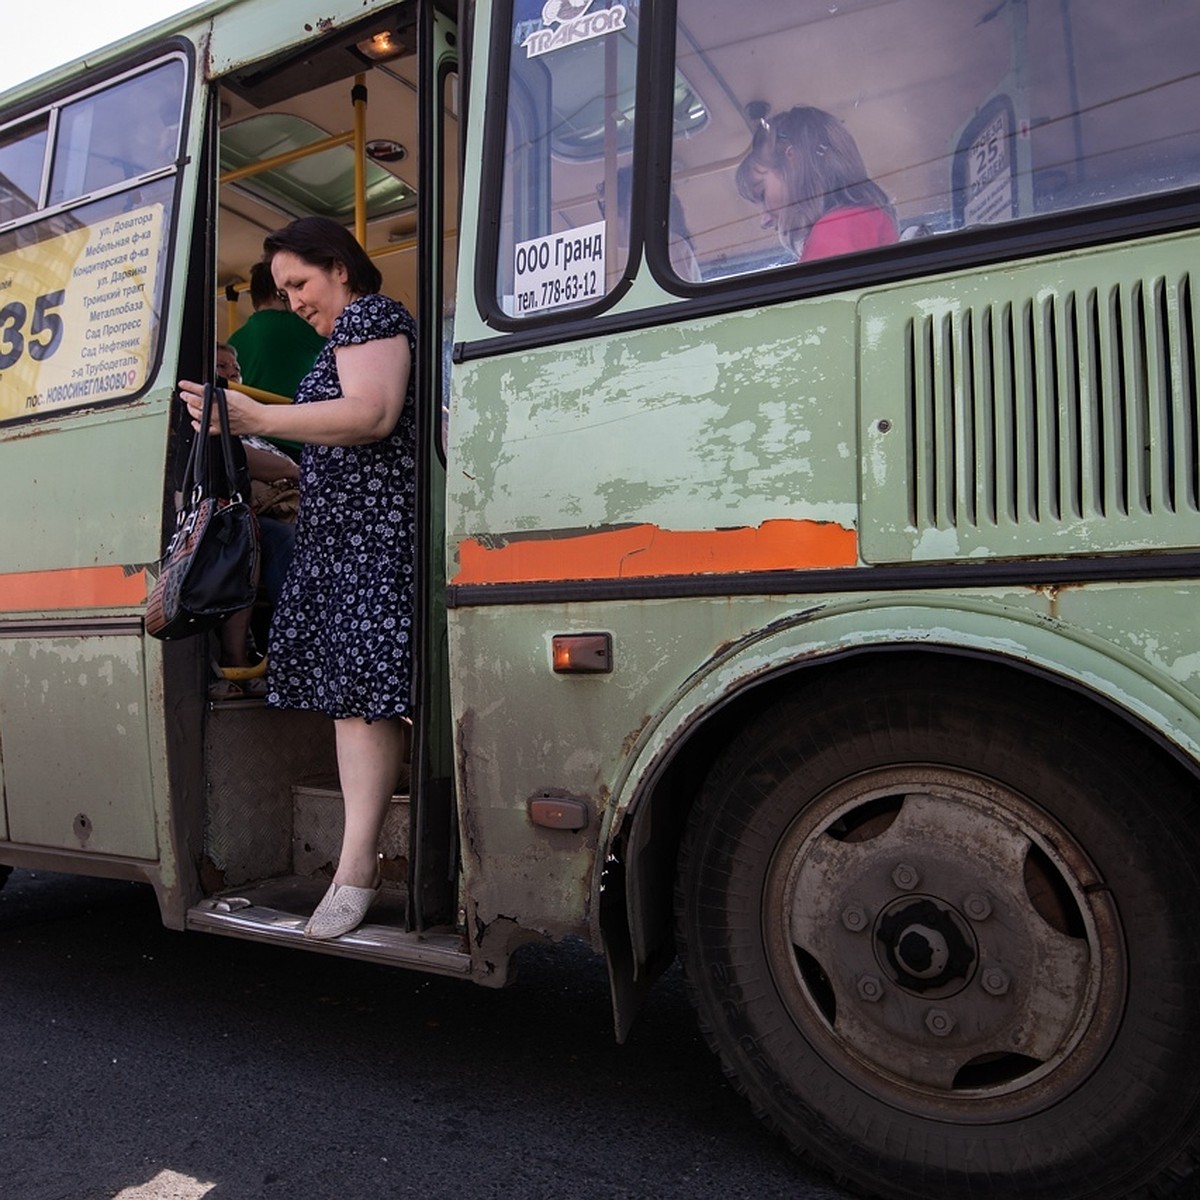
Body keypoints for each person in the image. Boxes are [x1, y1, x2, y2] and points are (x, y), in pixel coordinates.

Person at [180, 217, 415, 940]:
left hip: (371, 540)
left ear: (340, 266)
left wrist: (255, 412)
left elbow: (373, 415)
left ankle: (356, 869)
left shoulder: (372, 316)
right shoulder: (342, 334)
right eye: (283, 290)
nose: (295, 300)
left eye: (300, 284)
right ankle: (356, 863)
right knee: (355, 700)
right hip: (346, 539)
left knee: (362, 703)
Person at [209, 342, 300, 699]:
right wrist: (295, 470)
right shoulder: (214, 420)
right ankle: (282, 659)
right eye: (222, 367)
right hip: (237, 512)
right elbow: (237, 458)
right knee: (278, 541)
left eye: (236, 369)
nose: (232, 375)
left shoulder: (251, 426)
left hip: (279, 507)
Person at [735, 105, 897, 262]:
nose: (764, 221)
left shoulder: (838, 228)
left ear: (793, 161)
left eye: (762, 194)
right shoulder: (861, 221)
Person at [228, 259, 327, 459]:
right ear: (281, 293)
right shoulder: (296, 325)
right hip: (293, 436)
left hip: (254, 440)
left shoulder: (234, 340)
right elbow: (348, 344)